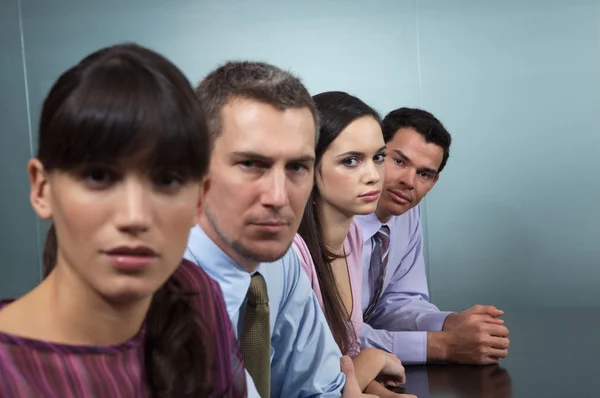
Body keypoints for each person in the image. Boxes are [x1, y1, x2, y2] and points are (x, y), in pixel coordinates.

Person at [0, 43, 246, 398]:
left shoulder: (195, 295)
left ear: (199, 199)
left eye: (167, 180)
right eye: (98, 177)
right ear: (42, 189)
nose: (135, 217)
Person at [184, 62, 370, 398]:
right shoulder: (154, 283)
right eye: (251, 164)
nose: (279, 198)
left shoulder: (279, 260)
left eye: (297, 167)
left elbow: (322, 390)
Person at [358, 107, 510, 365]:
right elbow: (332, 336)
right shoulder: (333, 220)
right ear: (375, 156)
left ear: (434, 182)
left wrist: (449, 323)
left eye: (424, 174)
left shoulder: (407, 213)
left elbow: (396, 302)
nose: (409, 181)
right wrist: (441, 345)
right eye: (399, 161)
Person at [292, 91, 414, 398]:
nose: (374, 176)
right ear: (310, 167)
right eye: (350, 161)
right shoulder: (293, 253)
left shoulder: (354, 236)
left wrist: (372, 382)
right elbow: (306, 389)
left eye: (378, 157)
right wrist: (372, 360)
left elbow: (342, 359)